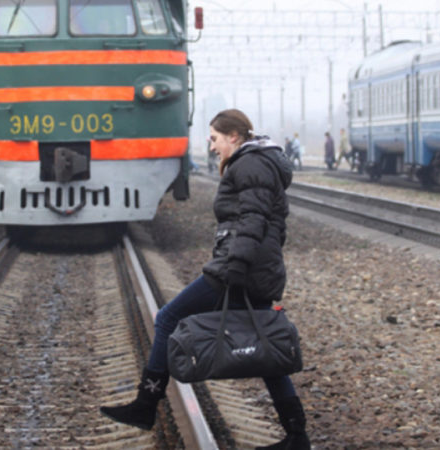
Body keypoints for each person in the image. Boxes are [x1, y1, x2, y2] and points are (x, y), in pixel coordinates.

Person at [99, 109, 310, 449]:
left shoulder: (250, 164)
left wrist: (236, 265)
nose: (211, 147)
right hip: (255, 268)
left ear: (234, 137)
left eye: (214, 139)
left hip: (240, 269)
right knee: (266, 348)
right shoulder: (257, 161)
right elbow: (268, 225)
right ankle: (297, 435)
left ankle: (145, 404)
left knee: (168, 317)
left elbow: (253, 220)